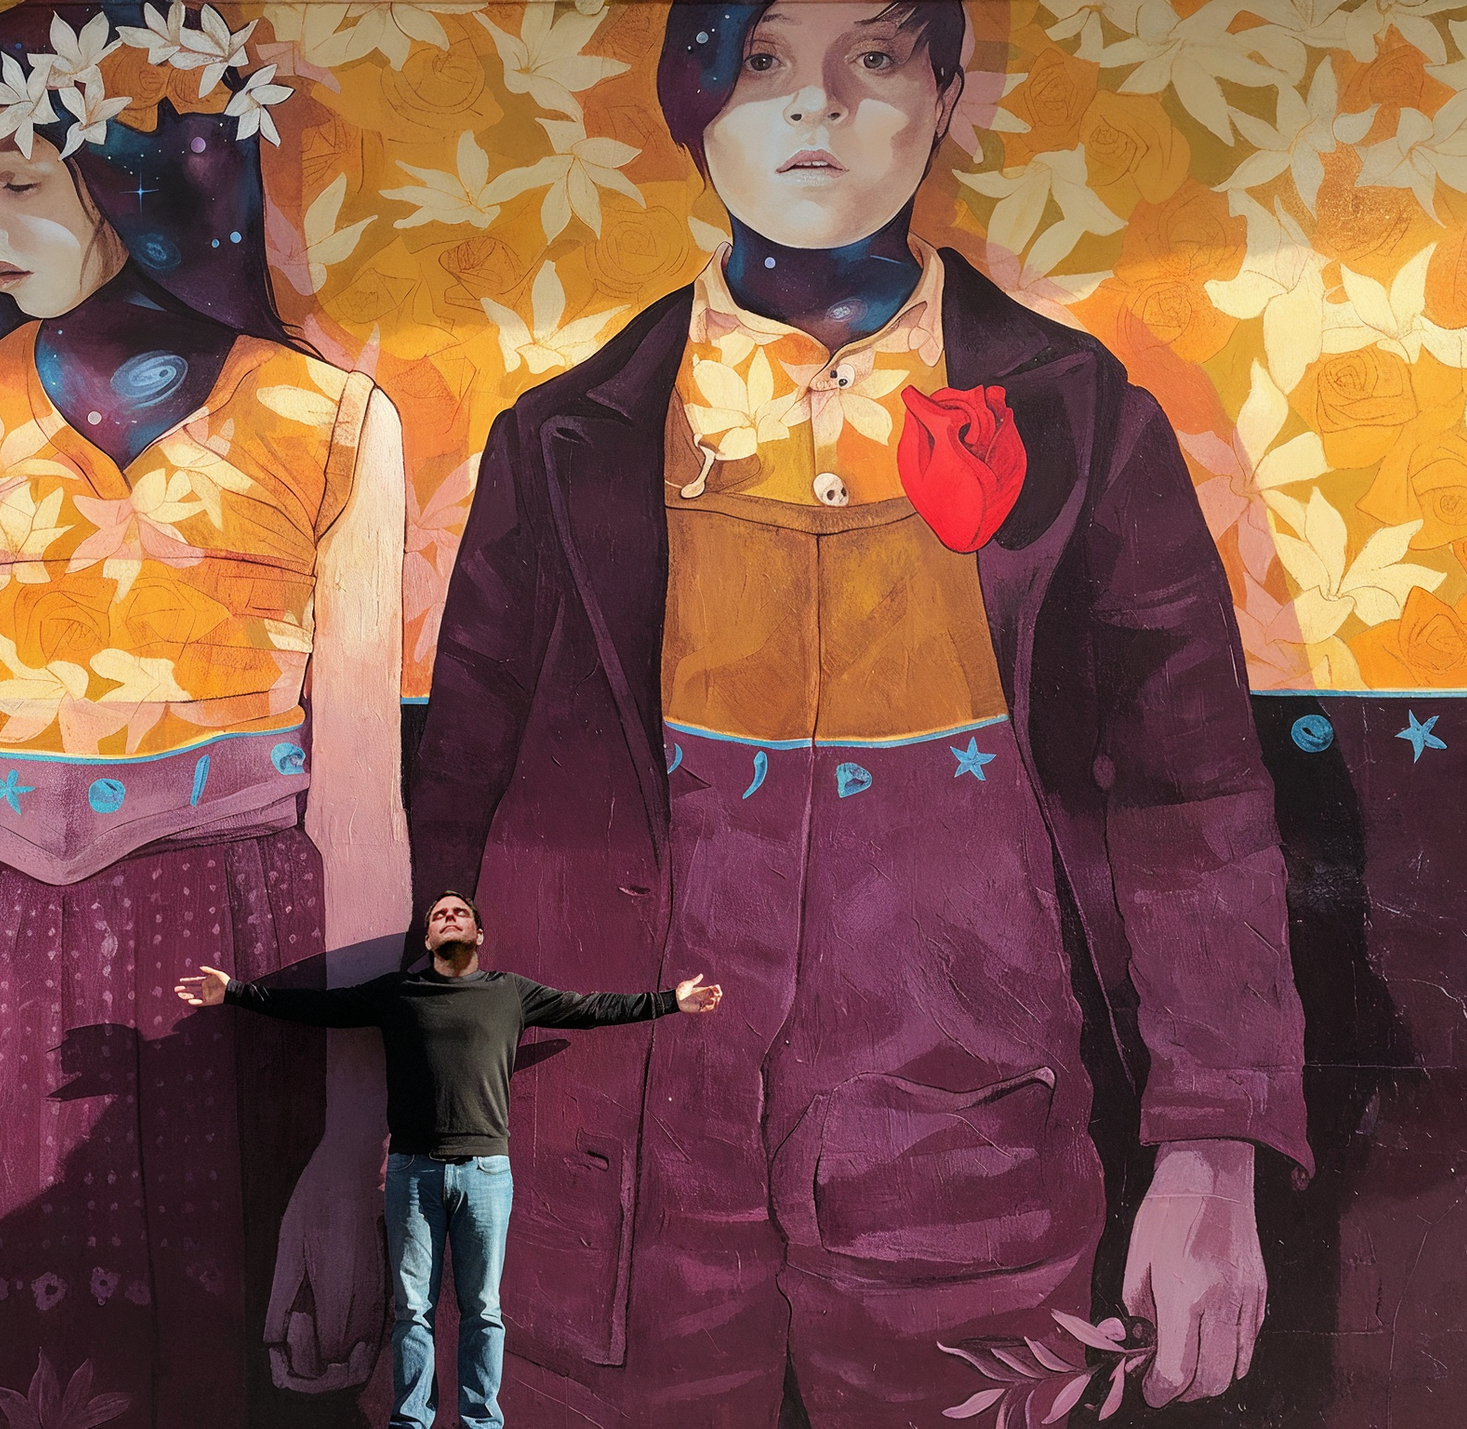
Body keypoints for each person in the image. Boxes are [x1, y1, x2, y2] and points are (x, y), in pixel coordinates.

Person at [401, 3, 1313, 1427]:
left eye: (872, 60)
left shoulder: (1085, 420)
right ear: (690, 100)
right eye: (760, 63)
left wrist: (1211, 1151)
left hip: (972, 1153)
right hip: (606, 1168)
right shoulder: (562, 440)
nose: (813, 107)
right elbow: (452, 804)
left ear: (946, 93)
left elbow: (1189, 801)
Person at [0, 5, 409, 1425]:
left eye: (21, 182)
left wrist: (352, 1151)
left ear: (149, 176)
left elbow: (361, 807)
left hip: (241, 988)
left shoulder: (335, 427)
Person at [176, 893, 723, 1429]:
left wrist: (670, 1001)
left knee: (482, 1309)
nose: (449, 918)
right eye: (439, 915)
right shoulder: (397, 993)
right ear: (429, 938)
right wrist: (235, 993)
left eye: (460, 912)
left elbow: (590, 1008)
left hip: (487, 1173)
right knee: (413, 1309)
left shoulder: (511, 992)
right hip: (412, 1173)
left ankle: (481, 1421)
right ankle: (411, 1421)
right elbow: (322, 1007)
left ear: (479, 934)